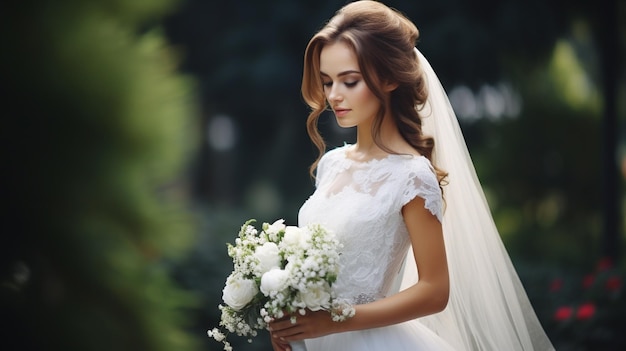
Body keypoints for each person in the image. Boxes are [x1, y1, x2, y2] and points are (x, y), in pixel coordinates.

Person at [268, 1, 554, 350]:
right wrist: (288, 321)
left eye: (350, 81)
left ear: (388, 78)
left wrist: (336, 319)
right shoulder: (331, 164)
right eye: (327, 82)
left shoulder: (412, 176)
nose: (333, 96)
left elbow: (434, 291)